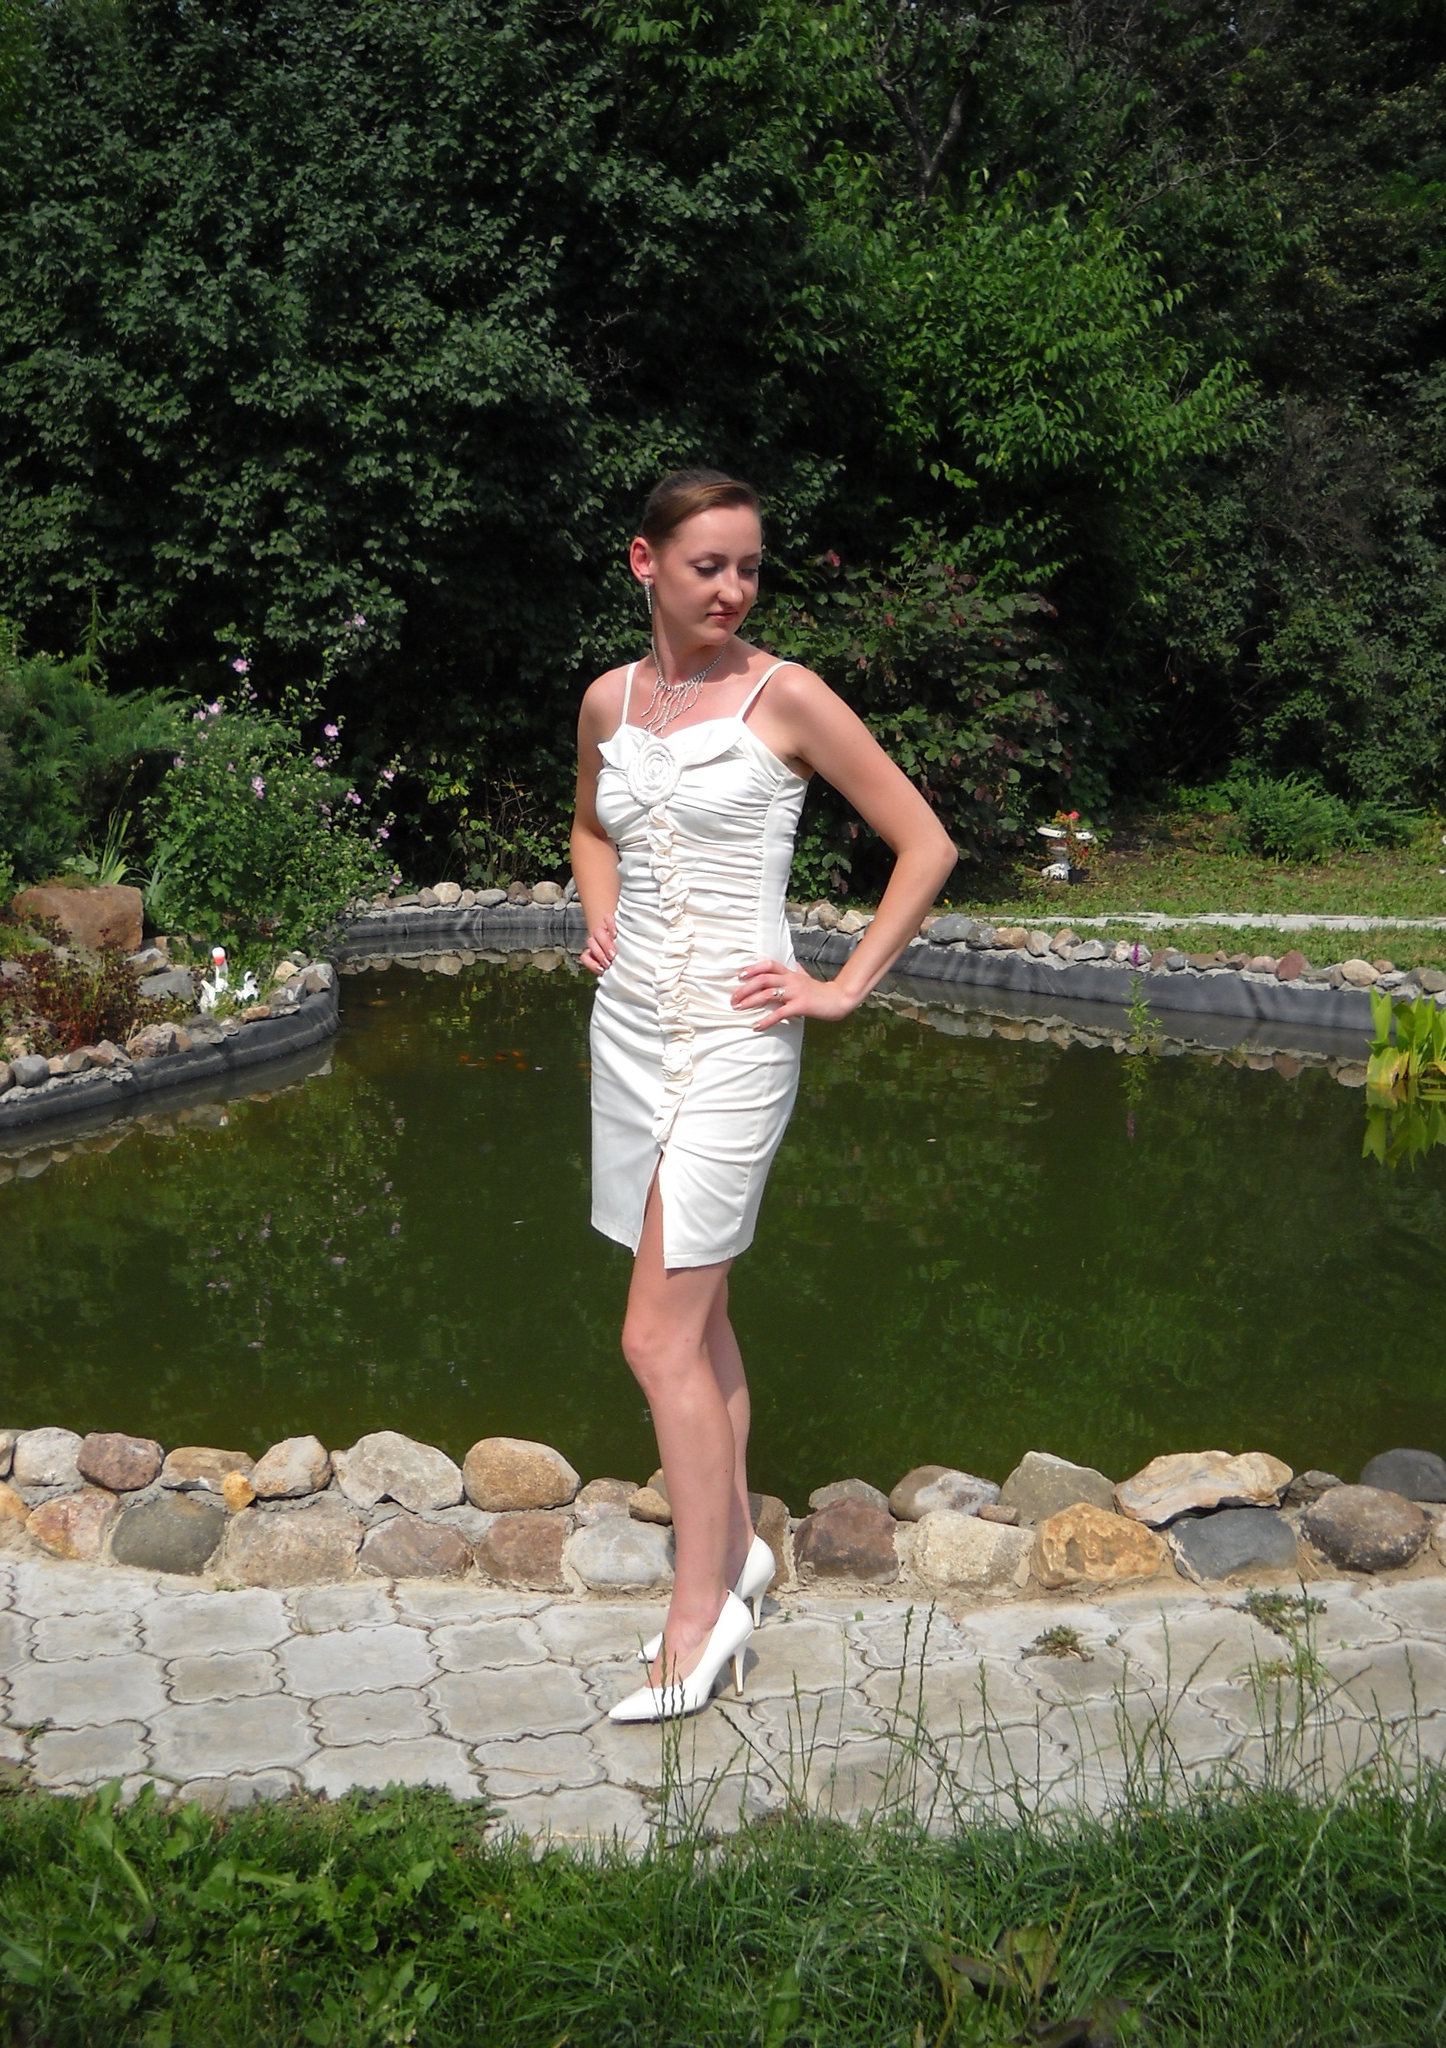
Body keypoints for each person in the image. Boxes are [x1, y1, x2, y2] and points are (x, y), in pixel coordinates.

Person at [570, 468, 957, 1722]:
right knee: (702, 1313)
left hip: (737, 1040)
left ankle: (701, 1616)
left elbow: (927, 843)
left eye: (748, 566)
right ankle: (735, 1546)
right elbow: (592, 830)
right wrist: (600, 916)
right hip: (630, 1033)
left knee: (654, 1335)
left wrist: (840, 985)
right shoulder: (609, 700)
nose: (734, 588)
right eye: (709, 566)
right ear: (645, 561)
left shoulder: (785, 695)